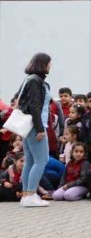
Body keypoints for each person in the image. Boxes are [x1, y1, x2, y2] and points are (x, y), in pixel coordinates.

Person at [14, 52, 54, 207]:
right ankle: (31, 195)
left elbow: (18, 98)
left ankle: (26, 195)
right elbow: (34, 106)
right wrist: (40, 128)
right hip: (35, 125)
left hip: (28, 125)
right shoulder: (36, 81)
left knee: (30, 161)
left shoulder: (29, 79)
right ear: (43, 64)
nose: (50, 66)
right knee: (41, 160)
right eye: (49, 63)